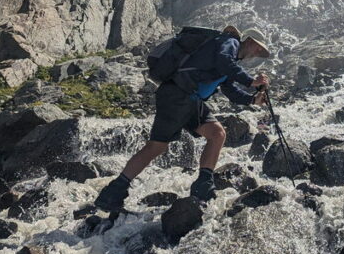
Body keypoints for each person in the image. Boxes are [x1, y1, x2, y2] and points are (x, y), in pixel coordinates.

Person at [94, 26, 271, 211]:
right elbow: (223, 61)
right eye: (258, 48)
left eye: (261, 52)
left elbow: (230, 90)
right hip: (177, 95)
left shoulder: (231, 60)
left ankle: (203, 187)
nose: (258, 53)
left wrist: (253, 99)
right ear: (248, 41)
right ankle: (112, 193)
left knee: (217, 134)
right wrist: (251, 81)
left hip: (190, 99)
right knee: (157, 146)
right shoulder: (229, 43)